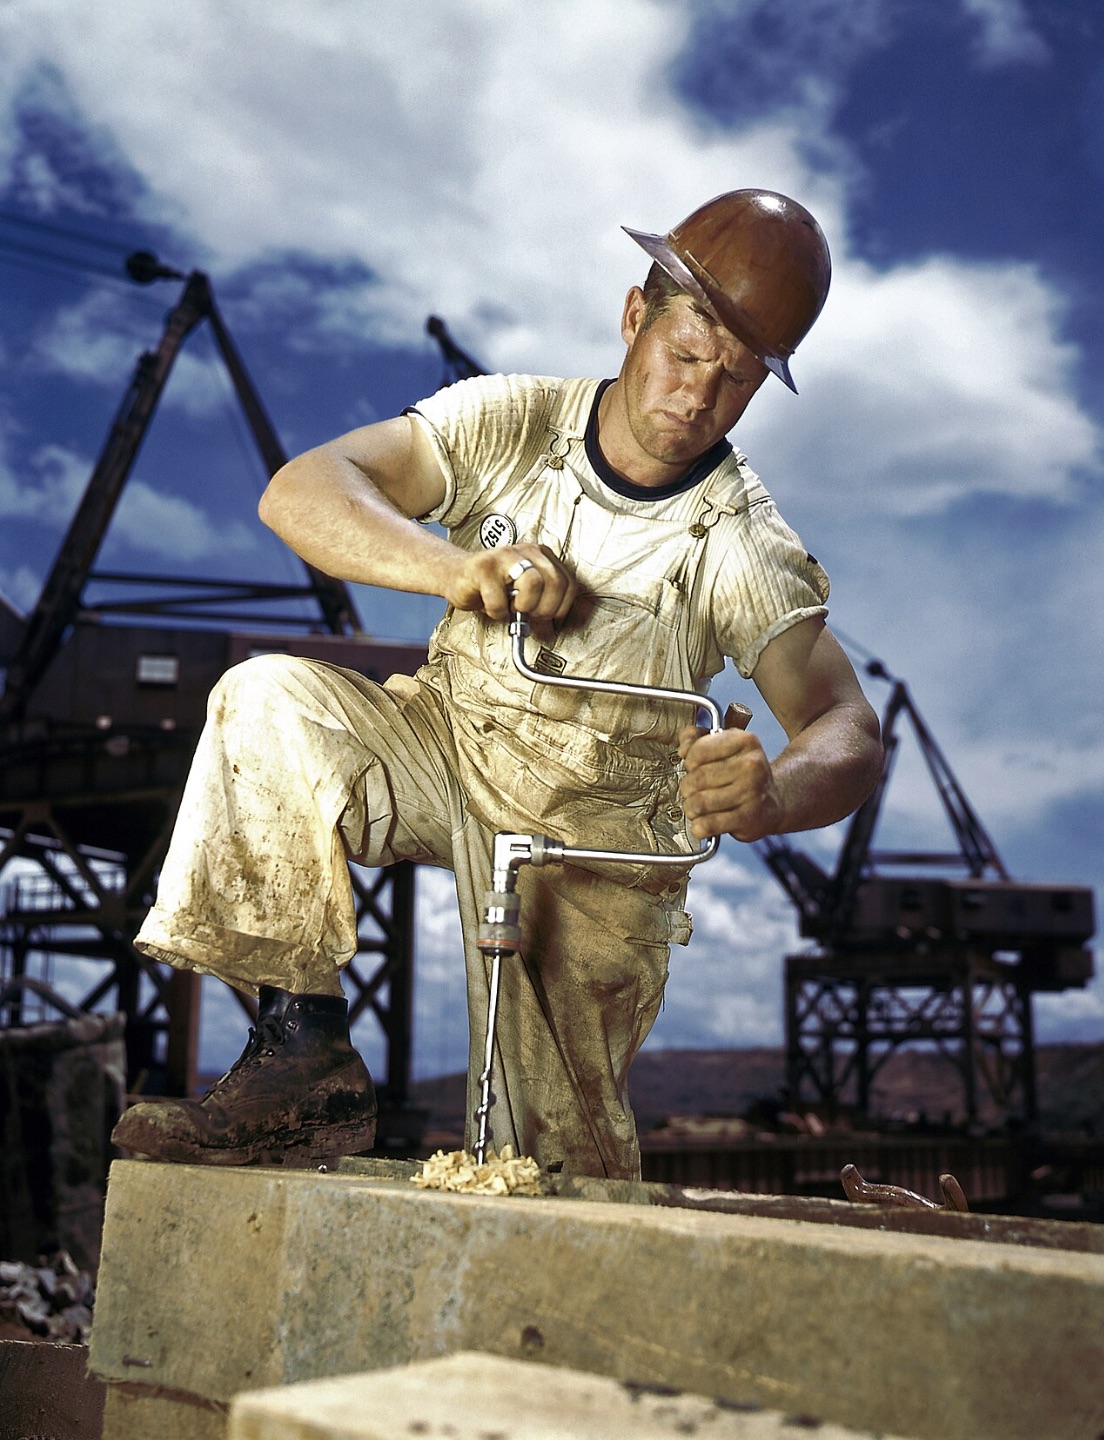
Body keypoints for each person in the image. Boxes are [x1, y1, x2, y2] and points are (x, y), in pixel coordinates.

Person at [112, 190, 883, 1180]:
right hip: (444, 746)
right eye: (685, 357)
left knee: (550, 1166)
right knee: (267, 702)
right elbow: (300, 490)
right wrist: (451, 569)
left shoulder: (740, 543)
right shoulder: (511, 422)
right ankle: (302, 1064)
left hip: (590, 849)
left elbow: (846, 726)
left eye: (732, 382)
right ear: (634, 316)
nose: (696, 398)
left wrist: (775, 793)